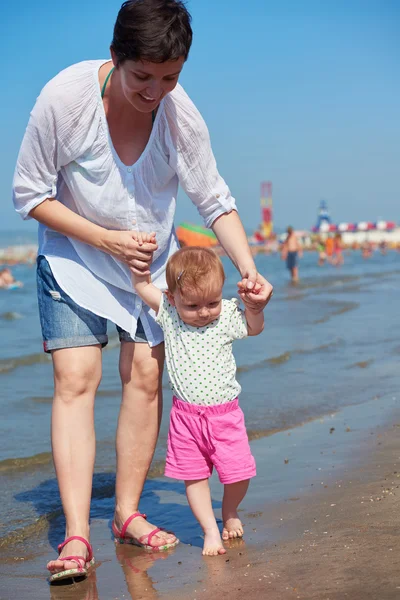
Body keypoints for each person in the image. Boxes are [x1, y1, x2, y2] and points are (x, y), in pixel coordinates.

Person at [12, 0, 273, 582]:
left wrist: (250, 269)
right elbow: (29, 194)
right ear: (115, 59)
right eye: (143, 78)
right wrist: (105, 239)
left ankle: (126, 514)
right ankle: (77, 533)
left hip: (146, 273)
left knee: (148, 377)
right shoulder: (65, 100)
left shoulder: (182, 117)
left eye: (171, 77)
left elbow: (215, 199)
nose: (157, 92)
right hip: (76, 256)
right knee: (77, 379)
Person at [131, 239, 269, 556]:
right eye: (192, 306)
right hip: (186, 419)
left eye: (211, 303)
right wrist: (138, 272)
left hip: (225, 417)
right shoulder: (169, 314)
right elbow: (142, 287)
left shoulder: (226, 317)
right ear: (173, 299)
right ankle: (210, 531)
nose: (203, 312)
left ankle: (229, 511)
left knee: (239, 473)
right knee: (193, 478)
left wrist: (255, 307)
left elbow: (255, 328)